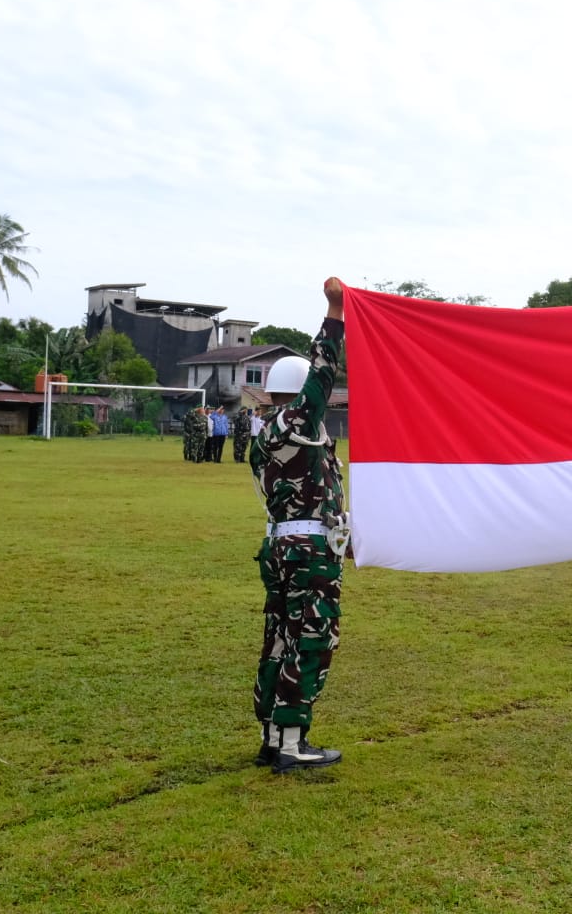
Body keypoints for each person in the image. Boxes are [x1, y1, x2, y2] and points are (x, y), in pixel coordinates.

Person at [249, 277, 348, 773]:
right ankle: (292, 744)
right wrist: (335, 316)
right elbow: (324, 374)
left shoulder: (263, 434)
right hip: (309, 554)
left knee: (279, 638)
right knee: (310, 639)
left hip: (281, 549)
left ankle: (272, 735)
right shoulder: (296, 423)